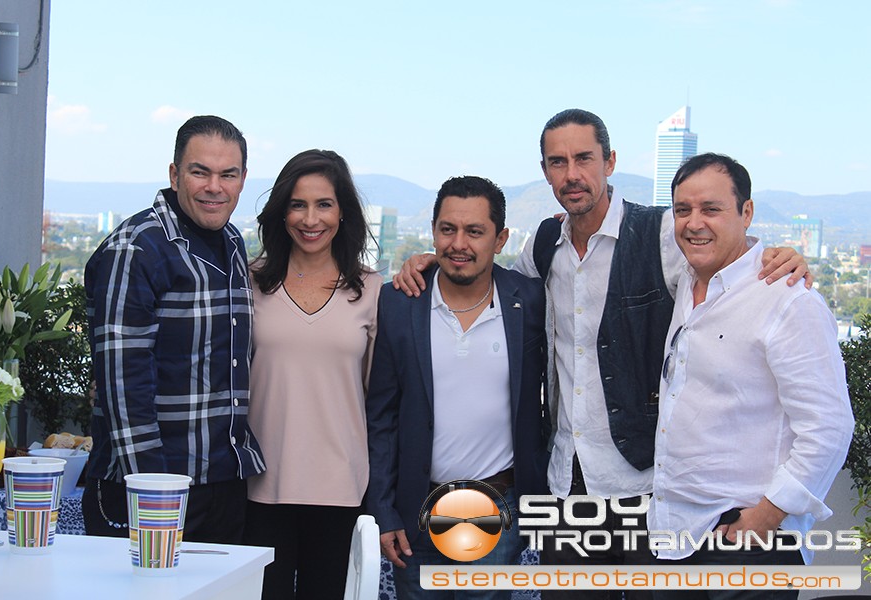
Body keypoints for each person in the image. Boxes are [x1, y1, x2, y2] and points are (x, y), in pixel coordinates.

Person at [394, 109, 811, 599]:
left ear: (610, 162)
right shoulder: (544, 243)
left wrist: (777, 255)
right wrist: (432, 263)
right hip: (566, 485)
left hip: (650, 486)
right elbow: (488, 278)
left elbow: (724, 255)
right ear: (545, 171)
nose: (572, 174)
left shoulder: (661, 232)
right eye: (558, 162)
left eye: (584, 158)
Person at [647, 153, 854, 599]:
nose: (694, 223)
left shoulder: (788, 300)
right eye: (682, 210)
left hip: (748, 544)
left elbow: (831, 427)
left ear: (747, 212)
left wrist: (767, 517)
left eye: (711, 209)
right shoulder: (688, 281)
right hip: (675, 535)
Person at [83, 115, 265, 544]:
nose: (214, 187)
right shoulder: (136, 248)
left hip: (223, 483)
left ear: (242, 180)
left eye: (228, 174)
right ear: (174, 174)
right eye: (200, 172)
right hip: (150, 489)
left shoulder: (232, 242)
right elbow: (124, 388)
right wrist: (154, 494)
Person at [367, 175, 551, 600]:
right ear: (433, 232)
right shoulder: (399, 301)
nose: (458, 243)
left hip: (497, 509)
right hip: (415, 513)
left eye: (475, 231)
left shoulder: (529, 301)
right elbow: (382, 417)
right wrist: (383, 509)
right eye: (448, 229)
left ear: (500, 239)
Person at [242, 149, 382, 600]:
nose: (310, 219)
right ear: (281, 213)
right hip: (261, 484)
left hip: (342, 488)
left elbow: (378, 397)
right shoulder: (248, 283)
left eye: (324, 204)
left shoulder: (373, 290)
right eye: (297, 205)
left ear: (343, 213)